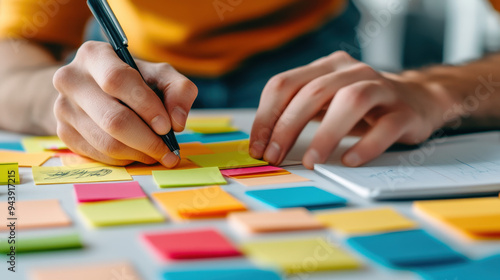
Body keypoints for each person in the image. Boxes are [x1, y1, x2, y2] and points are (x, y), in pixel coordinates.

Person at [1, 0, 500, 171]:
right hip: (130, 64)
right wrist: (58, 100)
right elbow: (12, 58)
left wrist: (438, 90)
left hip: (312, 56)